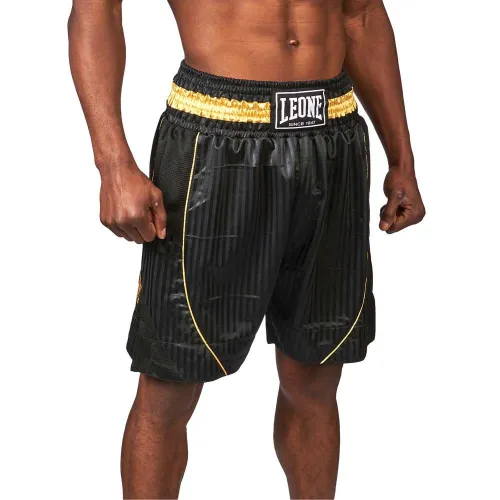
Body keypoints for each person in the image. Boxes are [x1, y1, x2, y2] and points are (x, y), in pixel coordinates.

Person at [68, 0, 425, 498]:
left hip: (331, 135)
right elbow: (96, 10)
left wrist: (402, 158)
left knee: (316, 378)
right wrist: (112, 165)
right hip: (216, 137)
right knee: (170, 382)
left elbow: (361, 16)